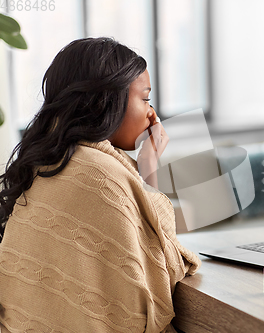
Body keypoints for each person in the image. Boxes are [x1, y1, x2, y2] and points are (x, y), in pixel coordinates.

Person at [0, 37, 201, 332]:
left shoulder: (44, 163)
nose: (151, 112)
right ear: (109, 99)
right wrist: (148, 168)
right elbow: (167, 266)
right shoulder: (103, 178)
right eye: (145, 98)